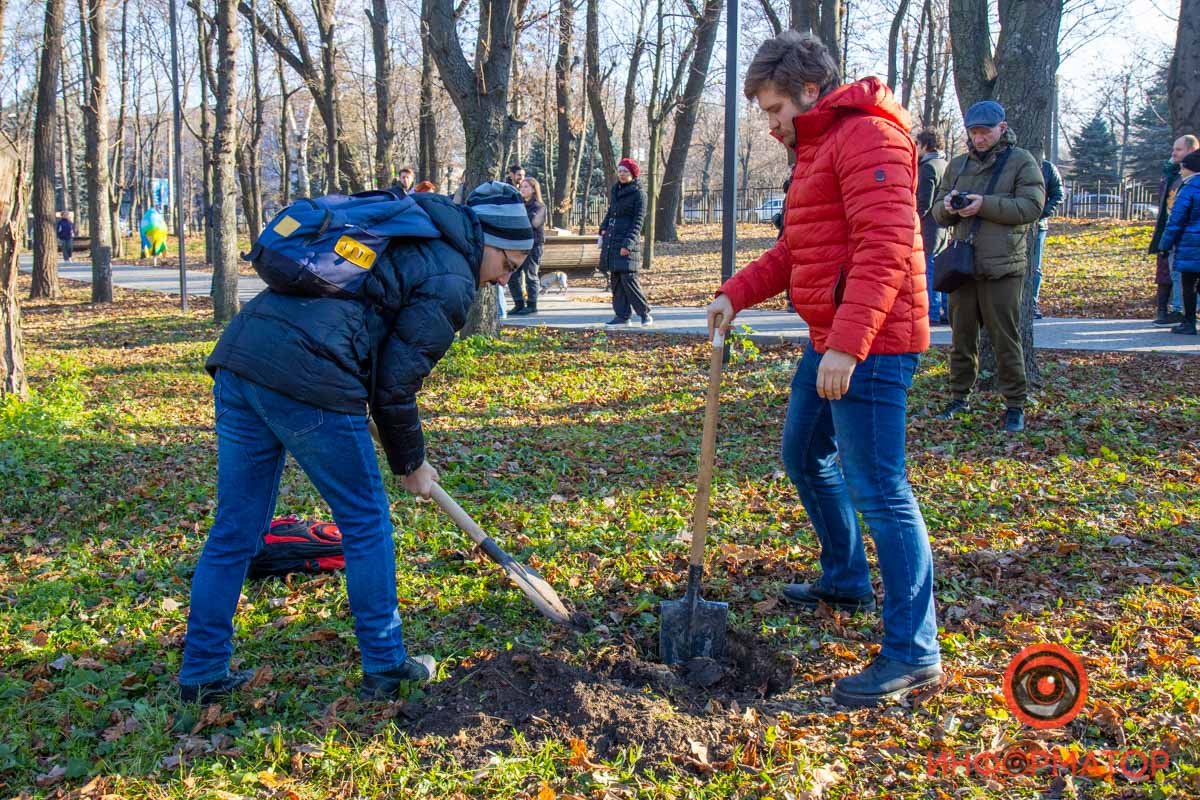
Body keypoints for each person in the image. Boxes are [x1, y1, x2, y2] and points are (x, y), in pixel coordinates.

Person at [178, 182, 534, 705]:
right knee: (366, 523)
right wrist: (410, 463)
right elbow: (395, 386)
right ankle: (387, 665)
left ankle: (201, 673)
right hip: (309, 378)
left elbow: (373, 342)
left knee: (236, 528)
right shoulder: (453, 277)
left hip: (241, 358)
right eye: (510, 260)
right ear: (487, 240)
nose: (509, 276)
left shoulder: (415, 229)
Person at [706, 31, 940, 708]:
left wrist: (847, 344)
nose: (771, 123)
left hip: (872, 343)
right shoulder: (819, 149)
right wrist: (735, 291)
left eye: (775, 109)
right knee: (804, 453)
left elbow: (887, 247)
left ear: (810, 92)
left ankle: (913, 651)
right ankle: (844, 576)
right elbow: (797, 251)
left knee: (883, 491)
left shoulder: (868, 136)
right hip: (830, 336)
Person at [931, 101, 1045, 434]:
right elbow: (937, 209)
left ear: (1002, 129)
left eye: (985, 132)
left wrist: (984, 205)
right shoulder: (958, 165)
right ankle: (958, 397)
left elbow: (1031, 207)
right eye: (974, 132)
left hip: (1003, 266)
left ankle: (1015, 404)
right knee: (961, 337)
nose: (979, 138)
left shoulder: (1022, 161)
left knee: (1005, 339)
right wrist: (951, 207)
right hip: (963, 265)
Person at [1150, 135, 1199, 325]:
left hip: (1187, 239)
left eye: (1178, 150)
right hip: (1187, 238)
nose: (1173, 154)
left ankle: (1185, 315)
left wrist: (1165, 242)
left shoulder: (1189, 186)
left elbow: (1177, 217)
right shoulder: (1178, 177)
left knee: (1185, 278)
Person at [599, 158, 652, 326]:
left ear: (633, 174)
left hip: (627, 243)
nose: (622, 174)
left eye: (625, 172)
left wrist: (627, 244)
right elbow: (611, 213)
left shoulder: (639, 194)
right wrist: (603, 228)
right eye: (620, 171)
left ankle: (644, 314)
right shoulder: (615, 190)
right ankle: (622, 316)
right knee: (616, 280)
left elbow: (638, 222)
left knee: (629, 280)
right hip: (611, 241)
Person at [915, 130, 948, 324]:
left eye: (918, 144)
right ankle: (945, 309)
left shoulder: (928, 167)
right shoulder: (944, 164)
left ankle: (932, 312)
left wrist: (915, 221)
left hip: (929, 227)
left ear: (926, 145)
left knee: (929, 269)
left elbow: (923, 203)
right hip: (943, 226)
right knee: (940, 268)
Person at [1030, 159, 1064, 319]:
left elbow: (1058, 194)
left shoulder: (1048, 168)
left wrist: (1041, 213)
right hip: (1013, 222)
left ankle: (1032, 303)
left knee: (1035, 267)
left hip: (1039, 225)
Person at [509, 177, 547, 315]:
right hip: (518, 245)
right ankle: (518, 303)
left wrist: (518, 219)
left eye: (526, 187)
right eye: (522, 186)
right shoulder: (519, 205)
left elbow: (533, 223)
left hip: (533, 245)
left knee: (531, 275)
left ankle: (532, 305)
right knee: (513, 275)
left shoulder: (539, 206)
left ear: (533, 189)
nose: (522, 189)